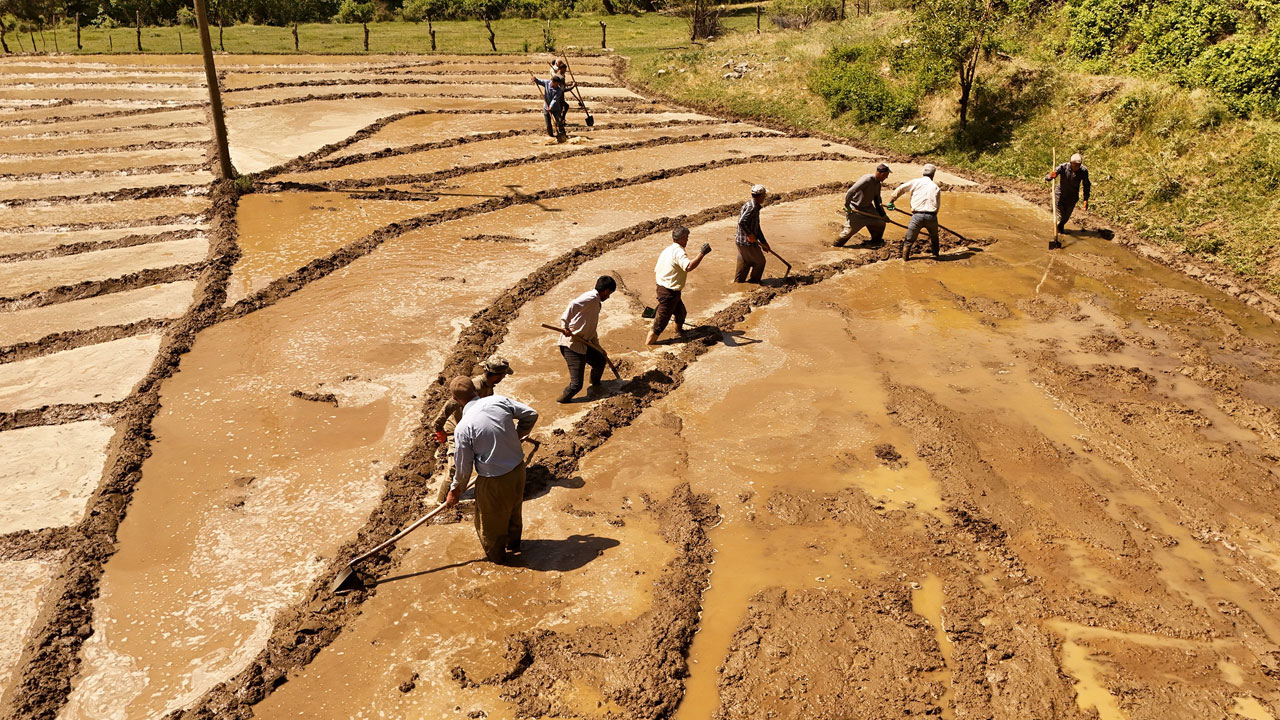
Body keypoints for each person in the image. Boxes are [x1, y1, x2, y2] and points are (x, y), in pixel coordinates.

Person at [444, 376, 538, 564]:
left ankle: (499, 560)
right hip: (518, 470)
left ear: (455, 400)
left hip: (494, 479)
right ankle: (514, 545)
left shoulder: (463, 427)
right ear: (476, 390)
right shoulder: (498, 401)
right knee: (513, 509)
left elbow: (463, 467)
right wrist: (516, 436)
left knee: (489, 523)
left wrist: (455, 490)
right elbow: (531, 414)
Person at [430, 357, 515, 503]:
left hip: (472, 427)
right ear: (496, 375)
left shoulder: (489, 385)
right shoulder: (473, 387)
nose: (504, 378)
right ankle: (441, 503)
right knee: (455, 468)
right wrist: (439, 429)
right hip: (457, 429)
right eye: (503, 375)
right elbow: (449, 405)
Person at [646, 226, 711, 345]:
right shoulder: (679, 251)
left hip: (665, 288)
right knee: (659, 325)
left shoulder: (668, 249)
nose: (687, 240)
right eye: (686, 238)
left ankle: (679, 332)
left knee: (681, 313)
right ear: (681, 239)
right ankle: (649, 345)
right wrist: (702, 253)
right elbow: (688, 267)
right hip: (668, 292)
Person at [557, 275, 616, 402]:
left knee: (600, 361)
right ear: (606, 291)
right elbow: (573, 305)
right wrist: (565, 325)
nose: (609, 296)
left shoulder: (596, 302)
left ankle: (595, 386)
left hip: (585, 342)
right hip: (572, 345)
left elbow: (591, 330)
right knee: (576, 386)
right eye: (609, 293)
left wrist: (599, 348)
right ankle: (561, 401)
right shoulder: (590, 298)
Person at [887, 164, 942, 261]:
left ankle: (905, 260)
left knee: (909, 240)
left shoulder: (916, 182)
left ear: (923, 173)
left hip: (917, 216)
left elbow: (901, 189)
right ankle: (936, 256)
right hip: (931, 216)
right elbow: (937, 205)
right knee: (934, 237)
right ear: (933, 175)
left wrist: (891, 201)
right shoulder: (935, 187)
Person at [835, 163, 891, 247]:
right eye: (886, 176)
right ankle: (835, 246)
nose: (886, 178)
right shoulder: (867, 179)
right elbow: (851, 191)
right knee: (847, 233)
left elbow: (877, 201)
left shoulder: (878, 184)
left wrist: (883, 215)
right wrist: (847, 206)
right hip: (856, 209)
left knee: (880, 223)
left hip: (868, 208)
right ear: (882, 174)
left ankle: (875, 242)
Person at [1045, 152, 1091, 246]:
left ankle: (1060, 228)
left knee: (1065, 218)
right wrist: (1050, 176)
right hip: (1060, 195)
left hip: (1072, 197)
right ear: (1070, 163)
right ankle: (1056, 235)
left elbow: (1086, 185)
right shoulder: (1062, 167)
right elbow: (1048, 177)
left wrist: (1085, 199)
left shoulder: (1083, 171)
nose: (1076, 167)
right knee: (1060, 216)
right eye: (1074, 165)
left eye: (1078, 165)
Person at [734, 185, 772, 283]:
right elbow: (742, 222)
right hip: (747, 242)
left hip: (740, 241)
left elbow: (756, 227)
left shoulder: (750, 204)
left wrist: (764, 242)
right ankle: (754, 283)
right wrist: (750, 235)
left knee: (745, 263)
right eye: (764, 195)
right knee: (760, 262)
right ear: (760, 196)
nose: (765, 197)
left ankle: (739, 286)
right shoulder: (753, 207)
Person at [531, 73, 570, 141]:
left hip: (555, 108)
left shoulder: (559, 90)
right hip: (546, 107)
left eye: (558, 84)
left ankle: (563, 136)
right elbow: (539, 81)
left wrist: (550, 107)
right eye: (556, 84)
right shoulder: (546, 83)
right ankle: (551, 136)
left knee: (559, 122)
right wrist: (535, 79)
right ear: (552, 82)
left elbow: (555, 99)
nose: (557, 85)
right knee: (548, 124)